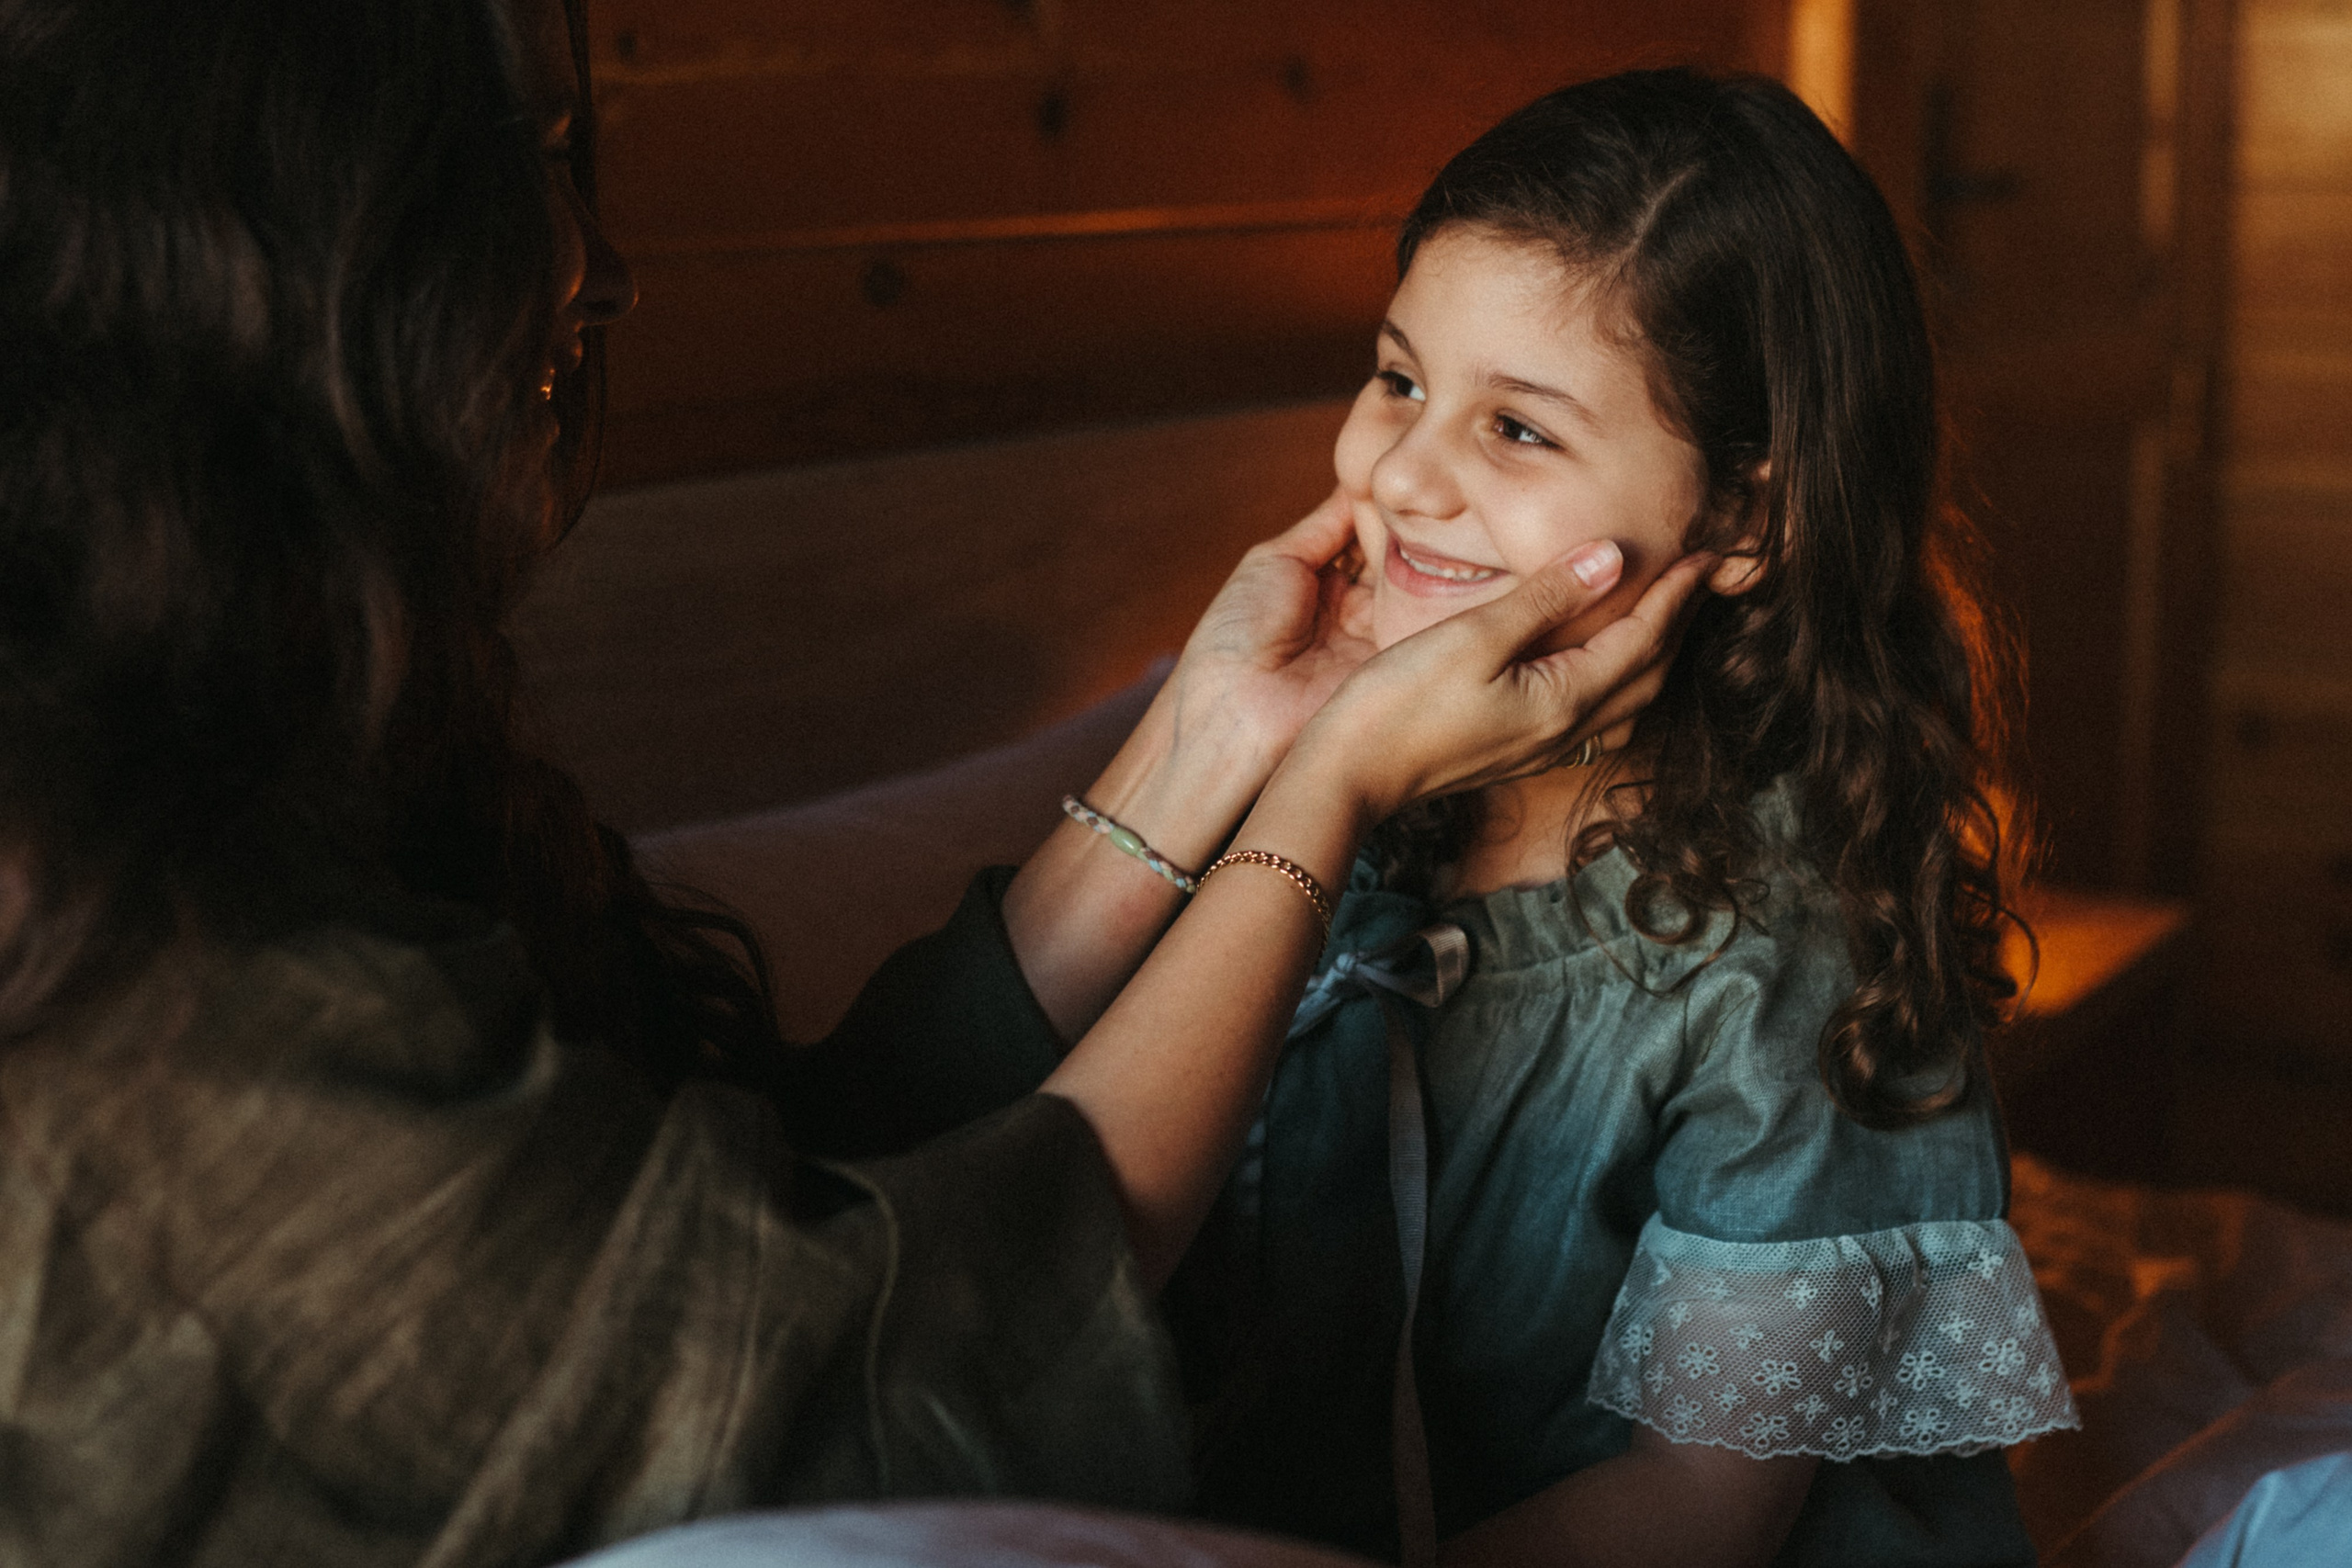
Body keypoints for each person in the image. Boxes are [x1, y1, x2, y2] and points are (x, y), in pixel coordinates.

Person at [0, 2, 1709, 1564]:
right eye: (1400, 382)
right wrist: (1315, 799)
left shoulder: (267, 722)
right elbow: (856, 1354)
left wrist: (1213, 743)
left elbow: (772, 1201)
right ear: (270, 229)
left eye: (1522, 426)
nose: (603, 275)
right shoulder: (116, 948)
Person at [1168, 70, 2081, 1568]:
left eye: (1516, 432)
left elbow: (1700, 1508)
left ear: (1742, 519)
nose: (1399, 474)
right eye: (1399, 379)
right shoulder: (1331, 801)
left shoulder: (1780, 953)